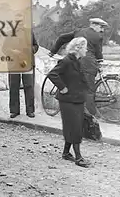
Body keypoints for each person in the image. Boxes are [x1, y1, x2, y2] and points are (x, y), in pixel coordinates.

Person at [49, 18, 108, 116]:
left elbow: (62, 38)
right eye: (101, 27)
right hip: (89, 65)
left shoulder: (78, 31)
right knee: (88, 91)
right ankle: (91, 116)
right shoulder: (98, 37)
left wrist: (53, 51)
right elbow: (98, 54)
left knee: (75, 86)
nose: (102, 30)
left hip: (76, 63)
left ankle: (78, 112)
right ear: (93, 25)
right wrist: (100, 62)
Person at [47, 37, 90, 167]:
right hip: (68, 100)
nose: (86, 50)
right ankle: (78, 157)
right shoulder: (66, 61)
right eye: (85, 47)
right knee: (74, 127)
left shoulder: (77, 61)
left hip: (76, 99)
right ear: (78, 48)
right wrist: (62, 87)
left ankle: (66, 153)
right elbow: (52, 74)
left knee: (74, 126)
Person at [8, 32, 39, 118]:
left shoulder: (30, 32)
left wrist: (30, 50)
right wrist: (13, 52)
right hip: (14, 64)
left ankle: (30, 111)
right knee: (13, 86)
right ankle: (14, 111)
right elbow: (4, 49)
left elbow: (36, 46)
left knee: (29, 86)